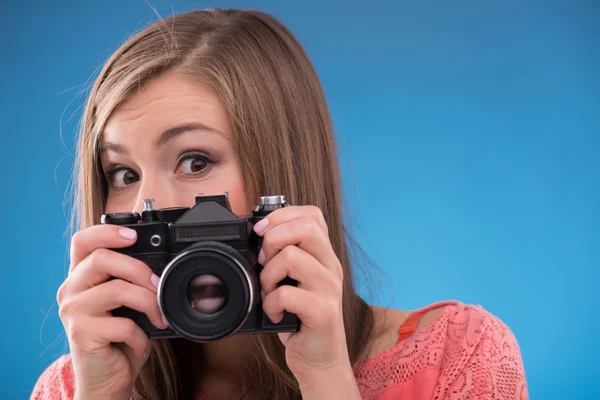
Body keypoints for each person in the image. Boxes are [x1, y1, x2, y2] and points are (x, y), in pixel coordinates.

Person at [32, 8, 528, 400]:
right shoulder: (73, 387)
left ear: (281, 172)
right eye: (123, 174)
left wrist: (325, 376)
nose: (146, 204)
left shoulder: (462, 357)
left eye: (196, 161)